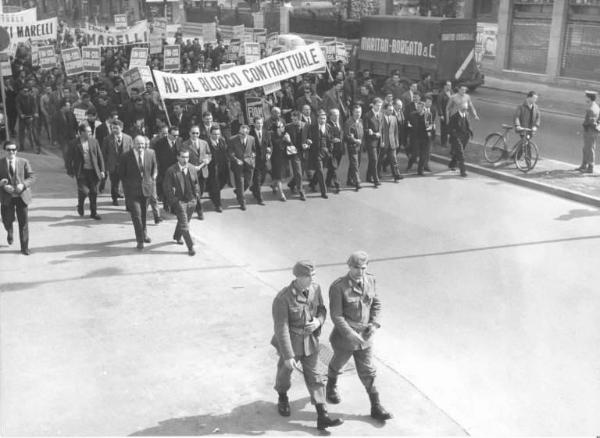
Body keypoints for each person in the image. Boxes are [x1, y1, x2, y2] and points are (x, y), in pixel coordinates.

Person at [271, 260, 344, 431]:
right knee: (284, 373)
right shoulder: (283, 298)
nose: (312, 278)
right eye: (308, 276)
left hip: (310, 342)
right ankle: (282, 396)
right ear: (298, 277)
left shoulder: (315, 289)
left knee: (315, 376)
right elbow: (281, 328)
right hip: (291, 342)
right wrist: (288, 355)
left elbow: (322, 310)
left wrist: (318, 322)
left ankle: (322, 415)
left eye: (313, 275)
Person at [326, 251, 393, 422]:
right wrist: (350, 333)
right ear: (349, 266)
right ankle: (331, 386)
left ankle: (376, 406)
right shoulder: (338, 287)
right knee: (338, 364)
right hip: (344, 338)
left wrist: (374, 324)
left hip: (365, 336)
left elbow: (376, 303)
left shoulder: (371, 280)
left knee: (368, 371)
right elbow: (336, 316)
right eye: (356, 268)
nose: (360, 271)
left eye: (363, 268)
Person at [119, 135, 158, 250]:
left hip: (146, 189)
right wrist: (124, 186)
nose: (140, 146)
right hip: (132, 191)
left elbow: (155, 167)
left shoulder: (151, 153)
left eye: (142, 144)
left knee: (144, 214)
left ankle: (144, 233)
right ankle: (140, 240)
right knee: (136, 215)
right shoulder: (126, 156)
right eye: (138, 144)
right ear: (133, 144)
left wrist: (153, 177)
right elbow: (121, 173)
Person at [0, 141, 35, 255]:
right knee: (6, 220)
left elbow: (32, 177)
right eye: (9, 149)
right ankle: (9, 230)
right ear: (4, 150)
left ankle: (24, 248)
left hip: (22, 196)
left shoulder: (24, 162)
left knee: (23, 223)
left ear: (16, 151)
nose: (11, 152)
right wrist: (2, 184)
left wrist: (23, 185)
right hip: (6, 197)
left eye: (13, 149)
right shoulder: (0, 163)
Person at [162, 149, 200, 256]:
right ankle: (190, 247)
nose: (185, 160)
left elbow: (196, 183)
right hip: (180, 202)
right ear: (178, 157)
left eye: (187, 157)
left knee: (185, 221)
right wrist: (174, 201)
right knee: (185, 224)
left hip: (192, 200)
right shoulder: (171, 170)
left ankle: (177, 236)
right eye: (183, 157)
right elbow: (167, 188)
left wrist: (196, 196)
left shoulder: (192, 168)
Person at [65, 124, 105, 220]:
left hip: (93, 171)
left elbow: (100, 157)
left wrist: (102, 170)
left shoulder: (94, 142)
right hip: (81, 171)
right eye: (88, 131)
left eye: (91, 131)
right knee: (84, 191)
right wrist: (70, 170)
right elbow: (68, 158)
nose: (90, 133)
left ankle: (93, 212)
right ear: (82, 132)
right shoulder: (74, 143)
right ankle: (80, 205)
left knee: (94, 192)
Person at [181, 125, 211, 219]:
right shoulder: (185, 144)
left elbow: (209, 155)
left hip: (202, 171)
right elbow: (183, 158)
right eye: (193, 133)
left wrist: (205, 162)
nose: (195, 135)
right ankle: (200, 211)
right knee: (196, 192)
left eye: (197, 133)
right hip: (191, 171)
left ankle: (192, 206)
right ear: (189, 133)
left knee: (200, 192)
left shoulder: (204, 143)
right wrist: (193, 167)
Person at [101, 120, 133, 206]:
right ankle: (114, 198)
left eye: (116, 128)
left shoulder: (128, 138)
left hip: (125, 166)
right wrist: (104, 166)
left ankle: (128, 202)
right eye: (112, 128)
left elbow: (132, 152)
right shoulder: (107, 139)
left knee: (126, 184)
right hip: (113, 165)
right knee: (114, 183)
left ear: (121, 128)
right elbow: (104, 153)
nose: (114, 130)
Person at [228, 124, 255, 210]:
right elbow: (230, 152)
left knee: (247, 182)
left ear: (248, 132)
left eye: (244, 133)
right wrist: (236, 159)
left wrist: (253, 155)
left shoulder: (252, 139)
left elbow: (254, 150)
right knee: (240, 182)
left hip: (248, 164)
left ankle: (238, 192)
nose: (242, 135)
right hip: (237, 165)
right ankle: (242, 202)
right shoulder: (232, 139)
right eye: (241, 133)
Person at [308, 111, 333, 199]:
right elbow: (309, 137)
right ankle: (324, 192)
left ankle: (312, 184)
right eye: (321, 118)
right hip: (316, 153)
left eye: (324, 118)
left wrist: (330, 150)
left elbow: (330, 139)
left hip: (325, 152)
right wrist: (308, 141)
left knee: (319, 170)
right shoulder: (312, 128)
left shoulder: (328, 127)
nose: (323, 120)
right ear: (317, 119)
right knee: (321, 171)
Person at [206, 126, 229, 212]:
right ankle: (218, 205)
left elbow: (226, 151)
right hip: (212, 168)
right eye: (214, 134)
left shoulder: (222, 140)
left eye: (218, 134)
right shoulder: (207, 143)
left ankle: (212, 194)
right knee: (216, 185)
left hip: (222, 167)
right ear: (210, 134)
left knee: (222, 183)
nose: (216, 136)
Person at [250, 116, 271, 205]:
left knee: (263, 177)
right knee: (257, 179)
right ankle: (259, 198)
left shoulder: (266, 132)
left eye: (261, 123)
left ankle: (254, 188)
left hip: (264, 160)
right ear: (254, 124)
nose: (260, 125)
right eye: (258, 123)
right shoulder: (250, 134)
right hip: (255, 160)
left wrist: (269, 152)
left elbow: (270, 145)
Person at [577, 90, 600, 173]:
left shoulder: (591, 109)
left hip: (590, 131)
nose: (585, 98)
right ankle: (584, 165)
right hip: (593, 131)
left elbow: (591, 122)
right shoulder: (596, 106)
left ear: (589, 98)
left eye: (586, 96)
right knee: (586, 148)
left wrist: (585, 124)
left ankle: (590, 167)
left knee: (589, 148)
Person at [448, 102, 473, 177]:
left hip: (465, 137)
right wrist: (455, 136)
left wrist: (470, 133)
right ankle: (463, 171)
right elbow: (450, 129)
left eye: (466, 108)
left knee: (458, 152)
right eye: (463, 108)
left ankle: (452, 164)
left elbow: (468, 124)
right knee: (461, 153)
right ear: (459, 108)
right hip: (456, 137)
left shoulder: (467, 115)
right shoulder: (454, 117)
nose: (465, 110)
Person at [379, 103, 403, 182]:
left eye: (392, 110)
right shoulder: (381, 118)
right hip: (383, 143)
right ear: (385, 110)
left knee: (394, 159)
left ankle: (396, 175)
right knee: (380, 159)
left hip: (392, 142)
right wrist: (381, 141)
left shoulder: (394, 118)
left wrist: (397, 142)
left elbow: (396, 131)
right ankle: (377, 174)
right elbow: (380, 131)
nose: (391, 111)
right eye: (389, 110)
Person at [270, 121, 292, 202]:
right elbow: (275, 144)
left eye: (283, 126)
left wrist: (289, 140)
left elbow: (290, 146)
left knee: (283, 175)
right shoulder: (272, 135)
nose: (283, 128)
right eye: (281, 127)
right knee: (279, 176)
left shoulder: (285, 134)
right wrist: (283, 139)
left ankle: (273, 184)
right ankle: (282, 194)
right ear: (277, 128)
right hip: (276, 157)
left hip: (284, 157)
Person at [344, 104, 364, 191]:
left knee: (356, 163)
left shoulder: (361, 121)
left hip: (359, 147)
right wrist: (355, 140)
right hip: (352, 146)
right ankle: (357, 182)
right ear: (352, 112)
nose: (358, 114)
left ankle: (349, 179)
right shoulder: (349, 122)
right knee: (355, 164)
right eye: (356, 112)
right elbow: (347, 136)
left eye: (359, 112)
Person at [364, 98, 383, 187]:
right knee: (374, 160)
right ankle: (376, 180)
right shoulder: (367, 115)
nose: (379, 107)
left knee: (374, 160)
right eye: (377, 105)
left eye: (380, 106)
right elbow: (366, 129)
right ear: (373, 105)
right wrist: (373, 133)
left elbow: (381, 129)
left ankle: (368, 176)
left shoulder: (380, 114)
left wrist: (382, 140)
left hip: (379, 141)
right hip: (371, 142)